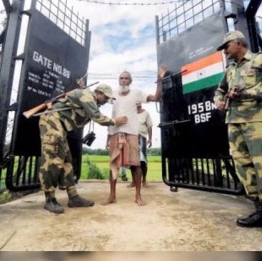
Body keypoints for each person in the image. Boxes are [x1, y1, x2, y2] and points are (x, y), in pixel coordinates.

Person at [213, 30, 262, 246]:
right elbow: (219, 91)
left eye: (226, 47)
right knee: (243, 166)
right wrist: (219, 100)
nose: (224, 51)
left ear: (238, 43)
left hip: (258, 120)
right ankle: (260, 210)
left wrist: (246, 94)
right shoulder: (230, 70)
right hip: (234, 122)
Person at [38, 83, 127, 214]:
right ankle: (49, 199)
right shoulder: (87, 96)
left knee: (67, 162)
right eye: (106, 98)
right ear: (99, 93)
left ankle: (73, 197)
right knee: (52, 161)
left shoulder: (89, 98)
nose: (107, 101)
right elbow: (97, 117)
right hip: (52, 123)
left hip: (59, 128)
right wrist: (115, 121)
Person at [102, 65, 167, 206]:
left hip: (131, 134)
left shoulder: (137, 93)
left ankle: (138, 196)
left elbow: (156, 97)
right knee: (113, 165)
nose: (123, 80)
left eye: (126, 78)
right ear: (119, 80)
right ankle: (112, 195)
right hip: (115, 133)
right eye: (121, 78)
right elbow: (98, 99)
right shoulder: (112, 94)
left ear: (130, 81)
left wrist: (159, 80)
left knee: (135, 165)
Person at [127, 101, 153, 188]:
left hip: (142, 138)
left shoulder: (146, 113)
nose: (137, 109)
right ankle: (134, 181)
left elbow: (149, 126)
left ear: (141, 106)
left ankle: (144, 180)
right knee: (132, 161)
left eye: (138, 107)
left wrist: (150, 139)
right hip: (131, 138)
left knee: (143, 161)